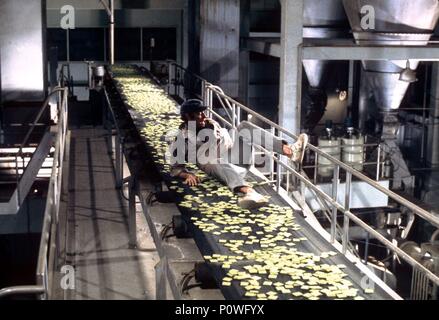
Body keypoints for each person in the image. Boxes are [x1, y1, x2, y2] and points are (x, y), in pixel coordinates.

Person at [169, 99, 308, 209]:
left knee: (243, 127)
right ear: (187, 116)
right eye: (199, 114)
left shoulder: (210, 123)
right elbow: (175, 168)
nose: (204, 116)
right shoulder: (181, 139)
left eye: (204, 113)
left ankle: (290, 151)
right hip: (219, 168)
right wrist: (187, 174)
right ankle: (249, 193)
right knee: (215, 160)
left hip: (238, 161)